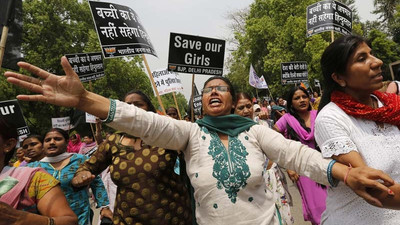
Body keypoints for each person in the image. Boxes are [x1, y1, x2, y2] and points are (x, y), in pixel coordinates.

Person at [5, 56, 396, 224]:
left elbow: (299, 156)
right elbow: (142, 121)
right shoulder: (189, 133)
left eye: (221, 88)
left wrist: (345, 174)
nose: (213, 91)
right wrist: (85, 99)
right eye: (207, 88)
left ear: (231, 98)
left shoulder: (256, 131)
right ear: (201, 101)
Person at [71, 90, 193, 225]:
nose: (132, 109)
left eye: (138, 104)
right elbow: (87, 167)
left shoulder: (165, 136)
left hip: (172, 217)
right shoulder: (113, 142)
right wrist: (81, 175)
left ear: (149, 110)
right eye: (128, 105)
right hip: (127, 220)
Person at [315, 34, 400, 224]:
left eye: (372, 54)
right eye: (362, 59)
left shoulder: (393, 106)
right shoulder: (331, 118)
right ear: (339, 77)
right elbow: (372, 187)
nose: (377, 62)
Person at [0, 118, 78, 225]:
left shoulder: (33, 178)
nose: (52, 142)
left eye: (57, 139)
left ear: (8, 145)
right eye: (26, 146)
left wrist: (21, 219)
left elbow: (69, 221)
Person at [27, 128, 112, 225]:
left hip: (79, 216)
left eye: (57, 139)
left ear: (67, 142)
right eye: (47, 140)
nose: (52, 142)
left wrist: (105, 207)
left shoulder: (81, 160)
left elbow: (97, 183)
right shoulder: (32, 168)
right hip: (48, 219)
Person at [235, 92, 294, 225]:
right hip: (254, 187)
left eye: (248, 106)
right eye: (240, 108)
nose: (245, 111)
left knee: (284, 219)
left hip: (274, 178)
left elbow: (278, 147)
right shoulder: (231, 135)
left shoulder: (262, 124)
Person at [274, 86, 327, 225]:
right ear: (291, 103)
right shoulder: (286, 119)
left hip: (325, 164)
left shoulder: (318, 114)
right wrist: (289, 167)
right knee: (317, 207)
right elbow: (274, 140)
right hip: (302, 169)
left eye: (304, 96)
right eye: (297, 98)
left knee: (333, 202)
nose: (302, 100)